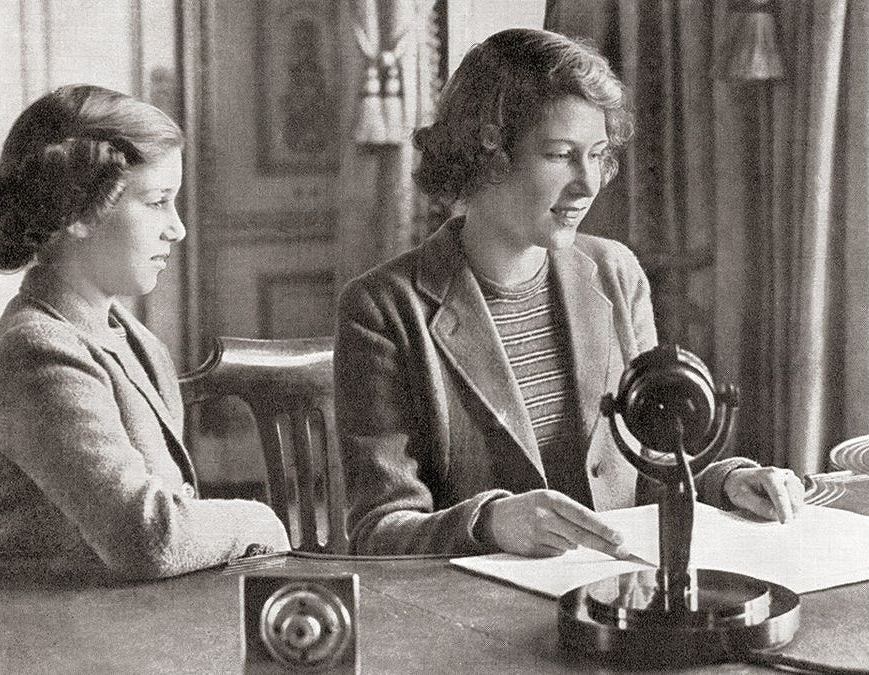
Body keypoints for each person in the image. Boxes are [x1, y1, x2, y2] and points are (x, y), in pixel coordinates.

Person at [335, 28, 805, 557]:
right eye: (561, 156)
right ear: (488, 155)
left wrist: (725, 482)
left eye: (598, 155)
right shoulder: (382, 309)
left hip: (614, 596)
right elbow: (377, 530)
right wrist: (489, 523)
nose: (589, 185)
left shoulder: (615, 272)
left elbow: (647, 459)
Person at [0, 84, 290, 579]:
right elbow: (149, 538)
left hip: (124, 619)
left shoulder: (130, 337)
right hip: (45, 638)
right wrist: (261, 519)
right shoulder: (36, 352)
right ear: (79, 212)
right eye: (157, 202)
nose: (177, 228)